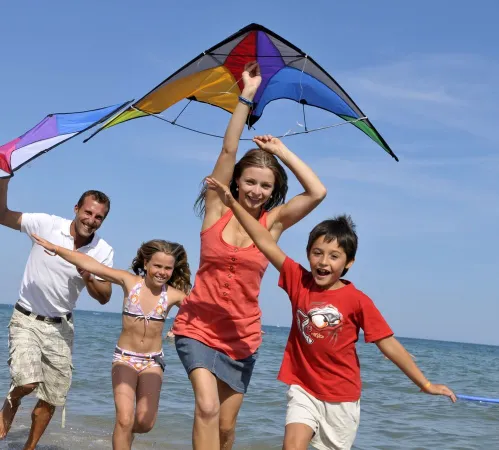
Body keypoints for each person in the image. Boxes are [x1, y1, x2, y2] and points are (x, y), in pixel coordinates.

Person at [204, 176, 456, 450]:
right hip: (303, 389)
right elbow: (263, 239)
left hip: (342, 399)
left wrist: (426, 383)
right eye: (317, 253)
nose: (323, 262)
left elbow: (389, 344)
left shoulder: (357, 301)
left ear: (349, 262)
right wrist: (232, 203)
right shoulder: (298, 280)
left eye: (334, 256)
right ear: (308, 254)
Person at [172, 61, 327, 450]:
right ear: (237, 181)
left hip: (243, 337)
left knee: (225, 428)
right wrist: (247, 94)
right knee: (205, 408)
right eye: (250, 182)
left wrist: (281, 150)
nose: (256, 190)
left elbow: (317, 193)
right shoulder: (216, 207)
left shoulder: (272, 224)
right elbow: (228, 148)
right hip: (196, 327)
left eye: (265, 185)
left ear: (272, 190)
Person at [31, 235, 192, 449]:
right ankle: (123, 432)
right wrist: (56, 248)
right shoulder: (130, 282)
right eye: (157, 265)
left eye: (168, 268)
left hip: (153, 361)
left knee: (145, 423)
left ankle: (126, 435)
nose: (162, 272)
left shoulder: (173, 295)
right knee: (124, 419)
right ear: (146, 264)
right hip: (124, 358)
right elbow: (92, 265)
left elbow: (205, 309)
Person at [0, 178, 113, 449]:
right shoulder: (47, 224)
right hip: (26, 318)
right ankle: (8, 407)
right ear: (76, 208)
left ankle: (29, 448)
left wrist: (88, 277)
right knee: (27, 382)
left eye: (99, 217)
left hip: (61, 328)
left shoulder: (102, 251)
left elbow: (104, 296)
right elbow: (2, 215)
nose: (92, 220)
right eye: (88, 212)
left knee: (52, 397)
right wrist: (4, 179)